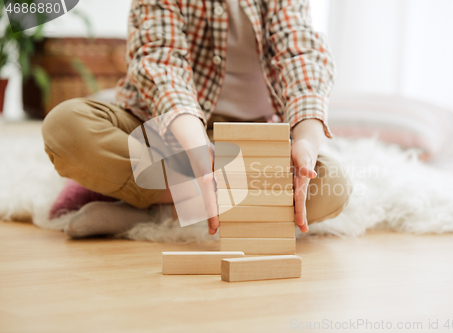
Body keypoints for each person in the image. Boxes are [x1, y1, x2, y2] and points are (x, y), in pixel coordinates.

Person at [41, 0, 350, 238]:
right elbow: (160, 58)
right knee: (65, 127)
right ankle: (194, 205)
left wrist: (306, 140)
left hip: (242, 138)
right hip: (161, 122)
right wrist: (196, 147)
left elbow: (299, 52)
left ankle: (159, 213)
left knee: (330, 183)